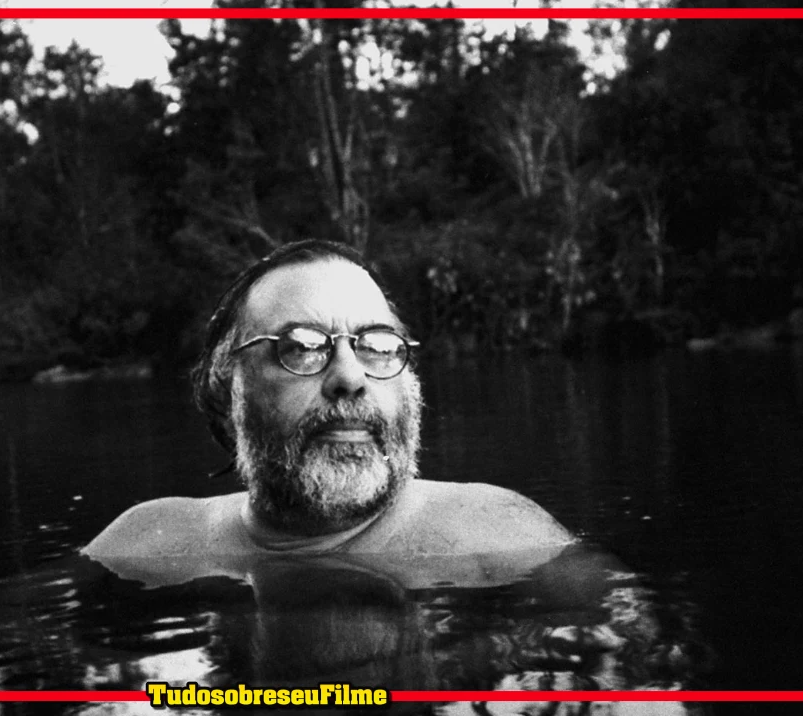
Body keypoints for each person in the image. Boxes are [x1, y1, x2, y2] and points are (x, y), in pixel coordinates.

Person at [83, 239, 573, 569]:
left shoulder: (503, 534)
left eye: (377, 346)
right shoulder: (144, 547)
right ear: (226, 396)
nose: (350, 377)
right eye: (301, 346)